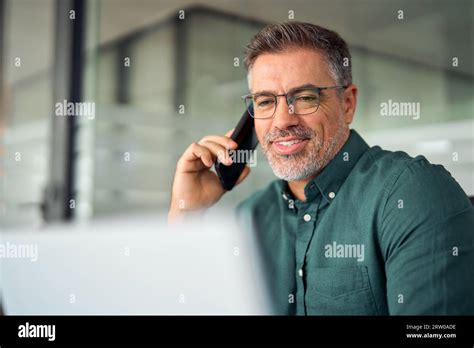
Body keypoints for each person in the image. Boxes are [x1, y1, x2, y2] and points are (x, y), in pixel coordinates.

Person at [168, 21, 474, 315]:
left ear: (348, 104)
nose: (282, 121)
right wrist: (186, 215)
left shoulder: (412, 194)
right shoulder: (249, 217)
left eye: (304, 97)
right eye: (264, 102)